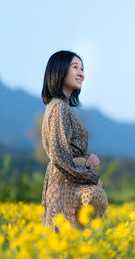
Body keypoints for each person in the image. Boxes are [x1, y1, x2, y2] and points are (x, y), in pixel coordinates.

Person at [40, 50, 108, 232]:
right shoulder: (58, 108)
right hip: (65, 185)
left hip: (70, 181)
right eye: (75, 67)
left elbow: (67, 150)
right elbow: (60, 157)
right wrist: (92, 179)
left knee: (72, 240)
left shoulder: (62, 107)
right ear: (60, 70)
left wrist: (87, 158)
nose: (81, 74)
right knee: (68, 236)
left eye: (82, 69)